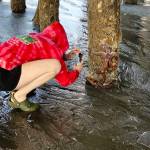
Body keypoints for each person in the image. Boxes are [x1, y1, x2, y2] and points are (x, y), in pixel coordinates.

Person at [0, 21, 83, 112]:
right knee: (56, 66)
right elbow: (65, 81)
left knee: (27, 61)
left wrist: (64, 56)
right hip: (6, 79)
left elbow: (38, 54)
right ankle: (19, 96)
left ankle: (19, 89)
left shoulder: (33, 36)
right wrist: (77, 70)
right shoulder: (53, 48)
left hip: (3, 69)